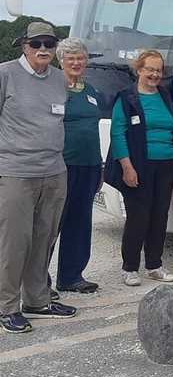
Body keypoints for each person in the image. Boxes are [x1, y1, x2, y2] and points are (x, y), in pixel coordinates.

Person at [0, 21, 77, 334]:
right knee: (13, 243)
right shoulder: (5, 74)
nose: (43, 49)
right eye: (36, 44)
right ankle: (6, 307)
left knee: (44, 239)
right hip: (16, 173)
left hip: (54, 172)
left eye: (49, 43)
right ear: (24, 46)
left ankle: (37, 300)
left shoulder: (60, 79)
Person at [106, 50, 173, 286]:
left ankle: (154, 265)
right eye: (150, 69)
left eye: (158, 70)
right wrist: (127, 167)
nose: (154, 74)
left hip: (166, 164)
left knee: (160, 216)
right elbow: (117, 133)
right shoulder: (127, 97)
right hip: (138, 165)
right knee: (138, 216)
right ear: (139, 70)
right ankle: (129, 268)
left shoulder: (165, 95)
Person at [49, 38, 104, 293]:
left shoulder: (91, 91)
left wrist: (100, 166)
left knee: (80, 222)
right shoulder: (52, 89)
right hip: (61, 165)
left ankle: (71, 276)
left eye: (80, 58)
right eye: (70, 58)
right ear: (60, 61)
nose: (76, 62)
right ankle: (40, 282)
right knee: (51, 224)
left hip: (89, 164)